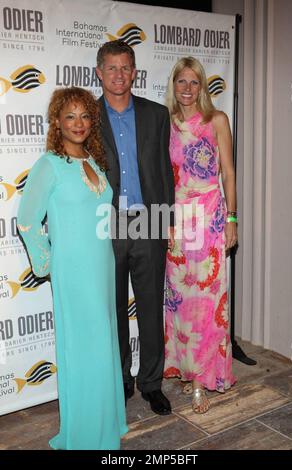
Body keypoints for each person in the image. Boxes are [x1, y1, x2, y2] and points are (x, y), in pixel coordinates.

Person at [17, 87, 127, 450]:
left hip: (102, 265)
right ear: (57, 123)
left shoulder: (94, 162)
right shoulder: (49, 165)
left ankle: (106, 424)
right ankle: (85, 433)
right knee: (84, 349)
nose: (78, 123)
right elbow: (27, 220)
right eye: (70, 117)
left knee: (103, 344)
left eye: (84, 116)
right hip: (74, 272)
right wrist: (48, 263)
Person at [96, 40, 175, 415]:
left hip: (149, 221)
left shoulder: (157, 115)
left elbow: (164, 173)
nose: (119, 74)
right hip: (104, 226)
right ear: (99, 72)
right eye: (111, 67)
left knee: (150, 309)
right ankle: (121, 380)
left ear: (135, 72)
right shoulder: (86, 117)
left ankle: (151, 383)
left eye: (125, 67)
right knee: (111, 309)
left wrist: (168, 220)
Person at [163, 57, 237, 414]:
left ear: (202, 86)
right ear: (173, 85)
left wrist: (233, 218)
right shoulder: (166, 124)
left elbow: (229, 174)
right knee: (180, 299)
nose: (188, 89)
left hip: (209, 218)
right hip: (178, 219)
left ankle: (202, 381)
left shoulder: (216, 121)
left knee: (208, 303)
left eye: (194, 82)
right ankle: (184, 369)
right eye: (182, 82)